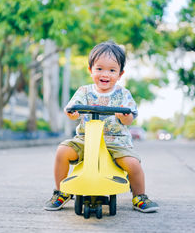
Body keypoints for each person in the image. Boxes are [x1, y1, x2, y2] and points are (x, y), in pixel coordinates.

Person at [44, 41, 159, 213]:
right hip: (85, 139)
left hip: (116, 142)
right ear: (91, 70)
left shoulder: (123, 94)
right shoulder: (84, 91)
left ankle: (139, 196)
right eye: (100, 69)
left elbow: (130, 119)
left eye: (112, 70)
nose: (105, 74)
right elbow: (72, 109)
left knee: (133, 164)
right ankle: (62, 191)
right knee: (62, 151)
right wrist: (72, 114)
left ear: (120, 74)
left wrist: (123, 116)